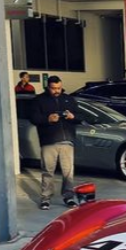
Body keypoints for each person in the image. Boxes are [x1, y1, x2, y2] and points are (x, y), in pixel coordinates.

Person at [30, 75, 80, 210]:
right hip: (49, 141)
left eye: (59, 88)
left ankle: (69, 197)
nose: (57, 91)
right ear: (48, 87)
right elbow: (34, 118)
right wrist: (48, 119)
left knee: (68, 172)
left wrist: (73, 116)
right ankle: (45, 198)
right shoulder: (39, 100)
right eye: (54, 88)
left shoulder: (69, 99)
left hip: (67, 140)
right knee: (48, 171)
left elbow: (80, 116)